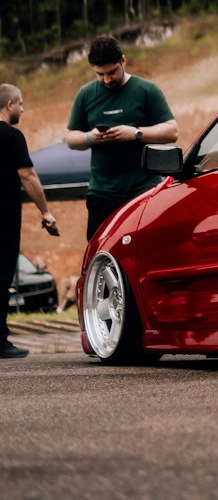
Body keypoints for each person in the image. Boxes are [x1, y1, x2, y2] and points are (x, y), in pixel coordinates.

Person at [65, 35, 178, 241]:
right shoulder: (85, 94)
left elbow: (172, 131)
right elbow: (71, 138)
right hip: (102, 192)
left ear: (123, 61)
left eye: (112, 72)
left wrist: (135, 133)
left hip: (144, 188)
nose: (107, 80)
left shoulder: (146, 90)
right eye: (100, 74)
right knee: (99, 249)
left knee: (146, 245)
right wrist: (91, 137)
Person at [1, 82, 59, 361]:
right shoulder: (12, 136)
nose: (22, 108)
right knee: (1, 277)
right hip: (3, 222)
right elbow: (27, 175)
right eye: (20, 103)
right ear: (10, 104)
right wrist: (45, 212)